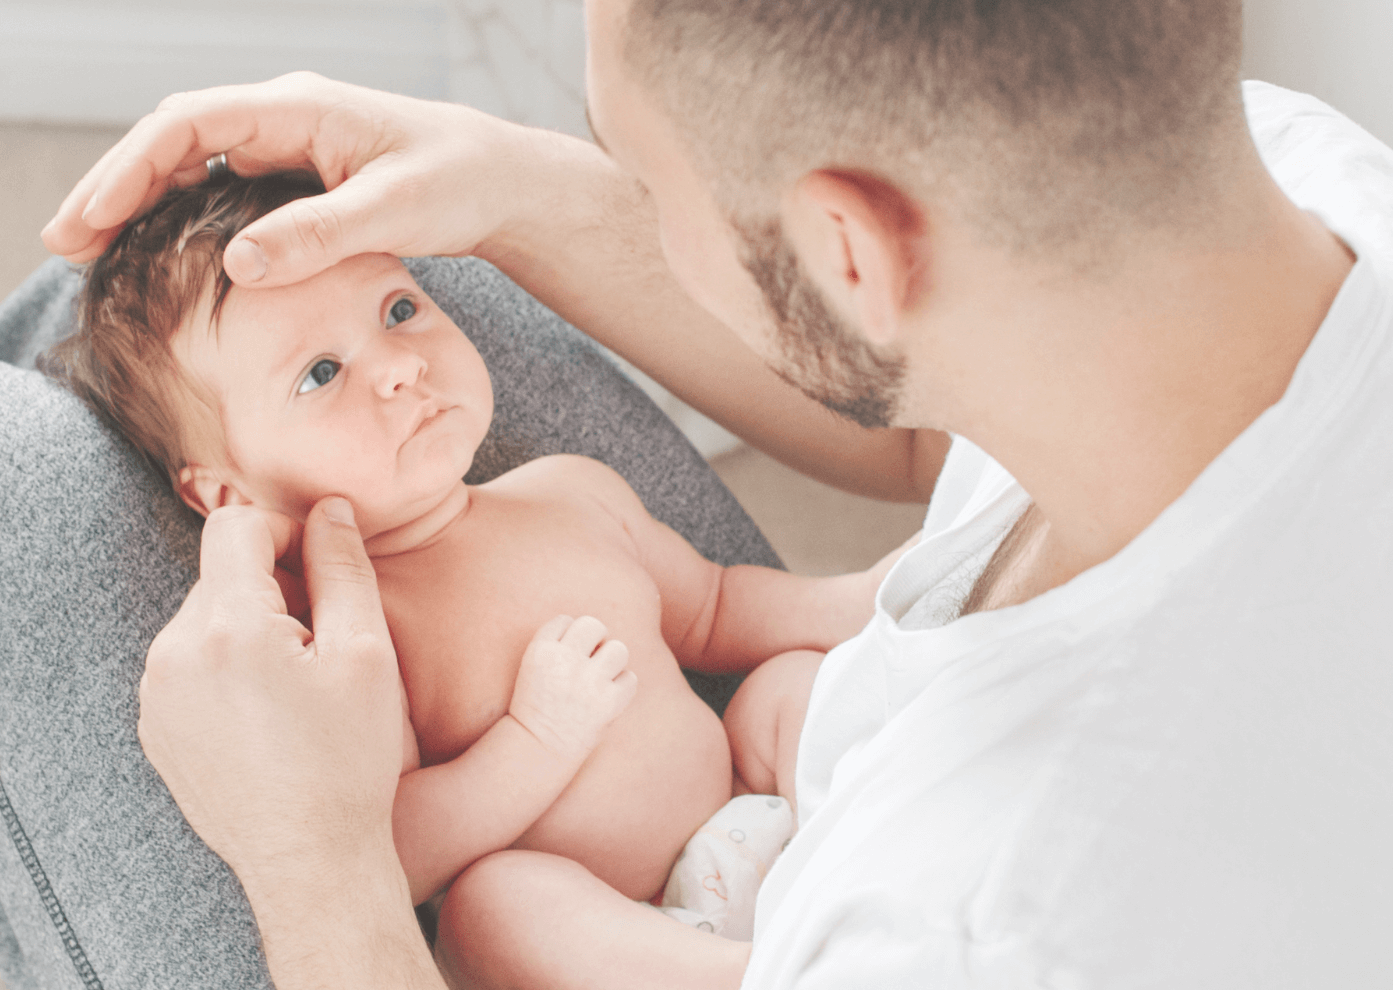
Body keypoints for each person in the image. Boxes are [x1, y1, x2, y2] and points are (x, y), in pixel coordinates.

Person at [0, 0, 1390, 986]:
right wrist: (505, 185)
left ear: (851, 255)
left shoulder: (980, 924)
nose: (416, 333)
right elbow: (916, 453)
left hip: (708, 911)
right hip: (792, 790)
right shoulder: (1287, 180)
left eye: (637, 171)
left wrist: (303, 852)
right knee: (121, 316)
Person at [46, 170, 893, 933]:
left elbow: (713, 608)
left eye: (400, 310)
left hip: (753, 811)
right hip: (622, 929)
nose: (399, 368)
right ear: (227, 496)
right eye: (320, 372)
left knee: (792, 688)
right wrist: (534, 739)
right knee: (498, 909)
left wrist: (864, 598)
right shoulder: (347, 637)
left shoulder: (571, 491)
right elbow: (391, 851)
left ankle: (895, 862)